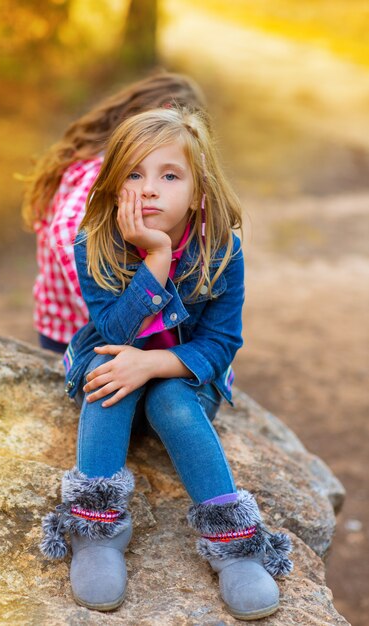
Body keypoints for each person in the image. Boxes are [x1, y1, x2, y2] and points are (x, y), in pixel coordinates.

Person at [39, 108, 293, 620]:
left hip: (184, 379)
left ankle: (236, 543)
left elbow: (222, 342)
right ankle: (97, 529)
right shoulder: (95, 243)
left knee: (172, 401)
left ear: (198, 192)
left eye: (168, 175)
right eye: (133, 173)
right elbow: (113, 334)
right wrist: (154, 260)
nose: (149, 189)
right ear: (113, 186)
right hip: (113, 364)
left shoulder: (222, 251)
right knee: (109, 380)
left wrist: (154, 365)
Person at [22, 71, 207, 353]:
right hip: (74, 331)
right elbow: (67, 228)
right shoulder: (108, 167)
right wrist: (104, 292)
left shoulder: (95, 153)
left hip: (58, 318)